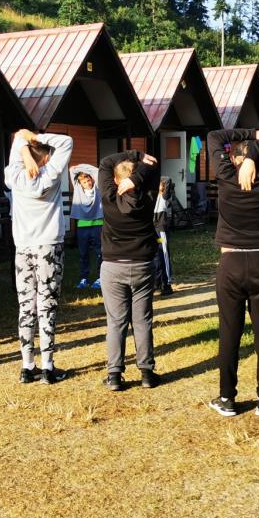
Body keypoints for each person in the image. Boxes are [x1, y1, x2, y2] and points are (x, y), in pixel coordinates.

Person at [207, 128, 259, 417]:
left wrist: (249, 139)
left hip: (231, 263)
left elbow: (214, 136)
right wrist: (254, 157)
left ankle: (227, 398)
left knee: (229, 333)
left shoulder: (226, 176)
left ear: (233, 159)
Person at [5, 129, 73, 385]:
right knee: (47, 306)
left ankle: (27, 366)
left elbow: (17, 140)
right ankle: (47, 367)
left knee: (26, 307)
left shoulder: (14, 175)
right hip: (49, 247)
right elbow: (67, 141)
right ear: (45, 157)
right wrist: (36, 136)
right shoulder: (50, 173)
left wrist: (24, 147)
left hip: (23, 247)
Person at [98, 149, 160, 391]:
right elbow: (153, 167)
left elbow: (106, 161)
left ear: (115, 180)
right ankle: (146, 373)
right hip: (142, 264)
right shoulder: (148, 196)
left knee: (116, 322)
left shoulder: (109, 197)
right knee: (142, 320)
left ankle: (114, 375)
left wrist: (135, 154)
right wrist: (138, 174)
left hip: (113, 266)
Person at [70, 164, 103, 290]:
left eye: (89, 180)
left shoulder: (97, 187)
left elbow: (97, 171)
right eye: (84, 182)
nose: (87, 183)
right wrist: (77, 168)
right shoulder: (77, 188)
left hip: (98, 225)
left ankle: (100, 277)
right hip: (82, 226)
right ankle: (84, 278)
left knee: (100, 253)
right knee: (83, 253)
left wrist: (82, 166)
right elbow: (72, 170)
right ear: (80, 183)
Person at [153, 177, 173, 297]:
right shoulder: (152, 197)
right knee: (156, 255)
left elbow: (168, 180)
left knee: (164, 254)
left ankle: (167, 284)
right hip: (153, 230)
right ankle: (157, 281)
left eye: (159, 184)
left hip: (161, 231)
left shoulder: (165, 197)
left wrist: (161, 181)